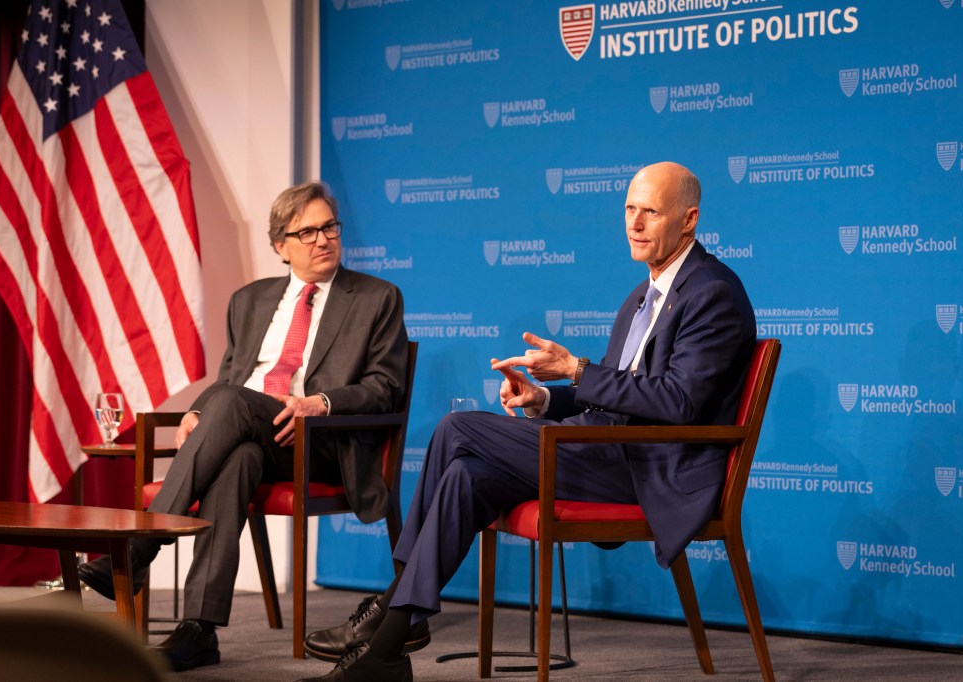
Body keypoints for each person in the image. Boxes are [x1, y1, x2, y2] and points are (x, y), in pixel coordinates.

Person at [298, 162, 756, 681]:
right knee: (466, 477)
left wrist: (577, 369)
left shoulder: (712, 291)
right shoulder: (641, 296)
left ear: (689, 220)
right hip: (611, 449)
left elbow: (677, 402)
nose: (635, 223)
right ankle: (388, 647)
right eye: (630, 209)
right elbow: (616, 401)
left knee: (456, 430)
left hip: (655, 467)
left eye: (651, 212)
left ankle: (390, 612)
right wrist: (543, 399)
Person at [78, 182, 409, 672]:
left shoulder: (376, 297)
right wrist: (197, 413)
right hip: (253, 434)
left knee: (228, 406)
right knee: (237, 458)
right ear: (281, 245)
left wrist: (317, 403)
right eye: (309, 231)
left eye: (330, 228)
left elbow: (386, 387)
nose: (324, 239)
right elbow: (230, 381)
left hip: (319, 443)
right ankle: (199, 630)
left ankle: (141, 545)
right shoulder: (249, 301)